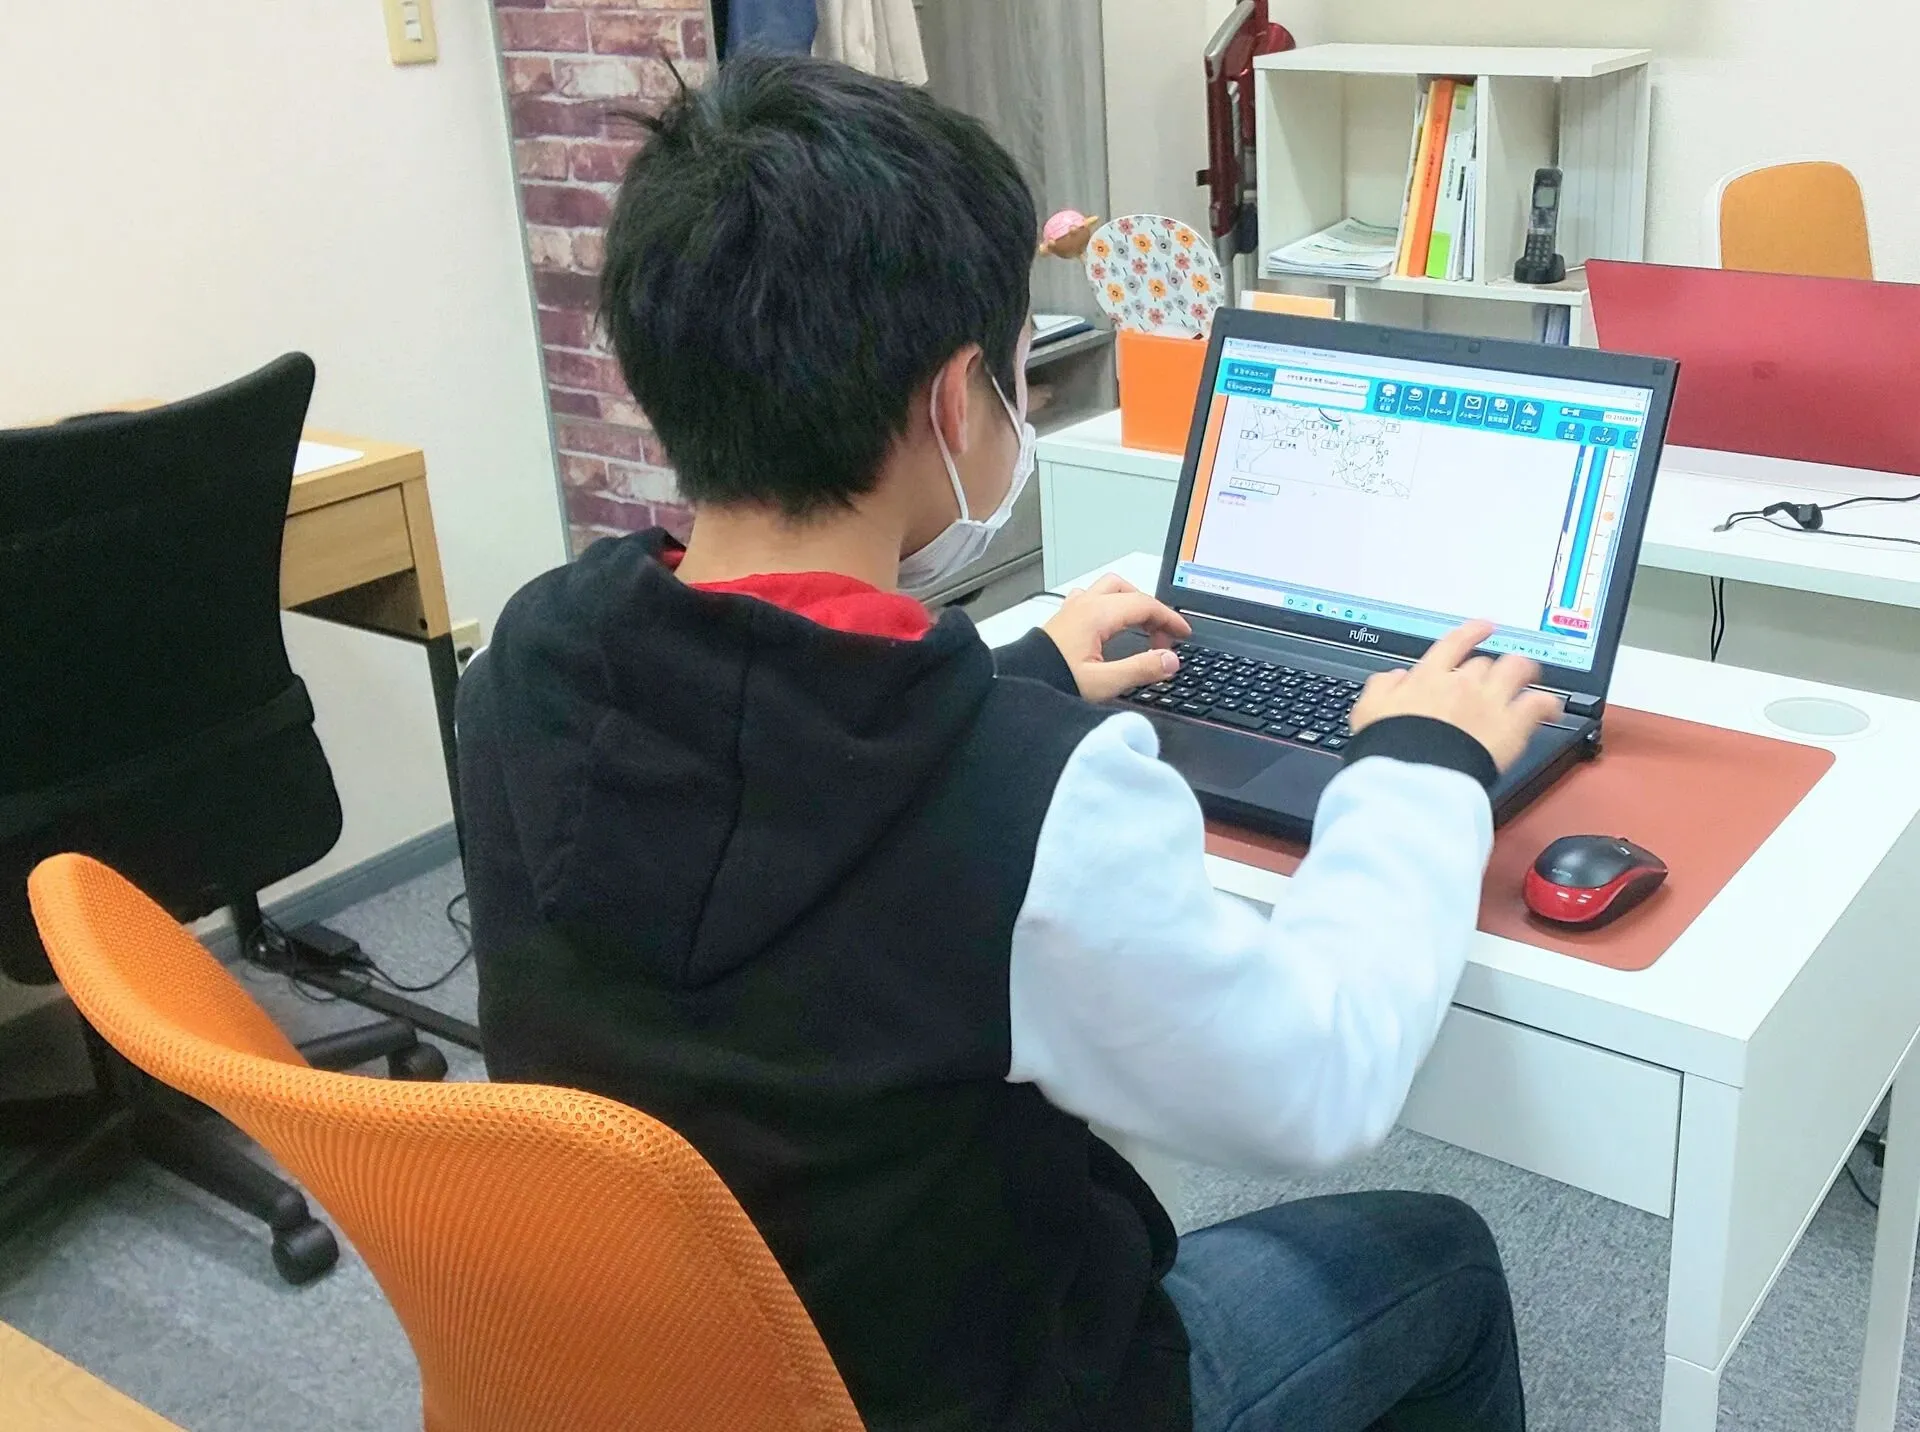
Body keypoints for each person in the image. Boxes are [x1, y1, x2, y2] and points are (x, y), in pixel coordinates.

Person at [458, 53, 1553, 1432]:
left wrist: (1007, 677)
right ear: (951, 401)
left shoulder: (526, 661)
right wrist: (1421, 768)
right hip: (989, 1395)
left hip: (672, 1372)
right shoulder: (1035, 804)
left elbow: (773, 741)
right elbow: (1314, 1084)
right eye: (1018, 375)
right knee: (1441, 1258)